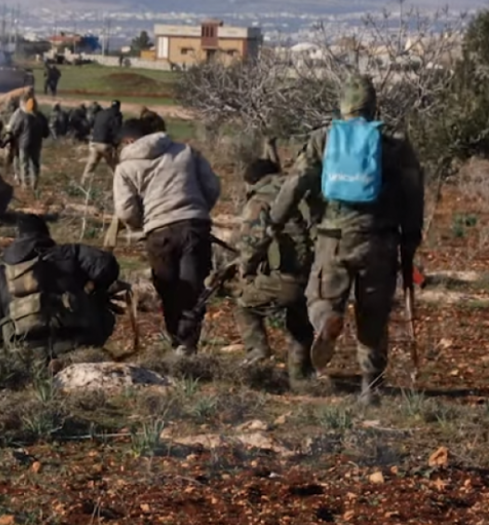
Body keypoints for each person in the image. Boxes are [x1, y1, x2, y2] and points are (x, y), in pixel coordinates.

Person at [264, 75, 424, 405]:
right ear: (373, 106)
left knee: (319, 296)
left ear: (343, 106)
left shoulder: (324, 139)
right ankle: (370, 385)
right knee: (373, 313)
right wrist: (410, 238)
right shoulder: (394, 144)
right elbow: (413, 193)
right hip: (380, 240)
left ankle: (326, 320)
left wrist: (274, 222)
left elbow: (295, 185)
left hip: (333, 238)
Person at [113, 118, 220, 356]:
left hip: (159, 233)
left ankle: (177, 342)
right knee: (193, 288)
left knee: (168, 289)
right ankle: (188, 345)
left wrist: (143, 224)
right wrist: (197, 211)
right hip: (195, 227)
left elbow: (126, 211)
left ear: (129, 141)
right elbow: (212, 187)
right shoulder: (186, 152)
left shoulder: (126, 168)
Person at [228, 146, 315, 381]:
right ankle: (300, 375)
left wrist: (245, 271)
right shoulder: (304, 195)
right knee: (300, 322)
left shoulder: (261, 200)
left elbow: (251, 244)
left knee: (244, 304)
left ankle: (258, 355)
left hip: (283, 278)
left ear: (252, 181)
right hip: (314, 278)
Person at [0, 214, 120, 355]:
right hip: (75, 347)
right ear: (45, 233)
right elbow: (106, 264)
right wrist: (92, 290)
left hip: (26, 356)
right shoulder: (68, 253)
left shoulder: (0, 274)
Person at [7, 96, 50, 189]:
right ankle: (35, 183)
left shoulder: (23, 116)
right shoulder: (41, 117)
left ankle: (25, 184)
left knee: (24, 164)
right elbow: (46, 133)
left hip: (24, 144)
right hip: (36, 144)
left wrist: (12, 135)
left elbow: (16, 130)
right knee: (35, 164)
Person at [82, 100, 123, 184]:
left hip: (93, 143)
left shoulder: (101, 113)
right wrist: (116, 145)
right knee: (115, 166)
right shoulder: (116, 115)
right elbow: (116, 130)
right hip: (105, 144)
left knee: (91, 164)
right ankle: (120, 182)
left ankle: (84, 181)